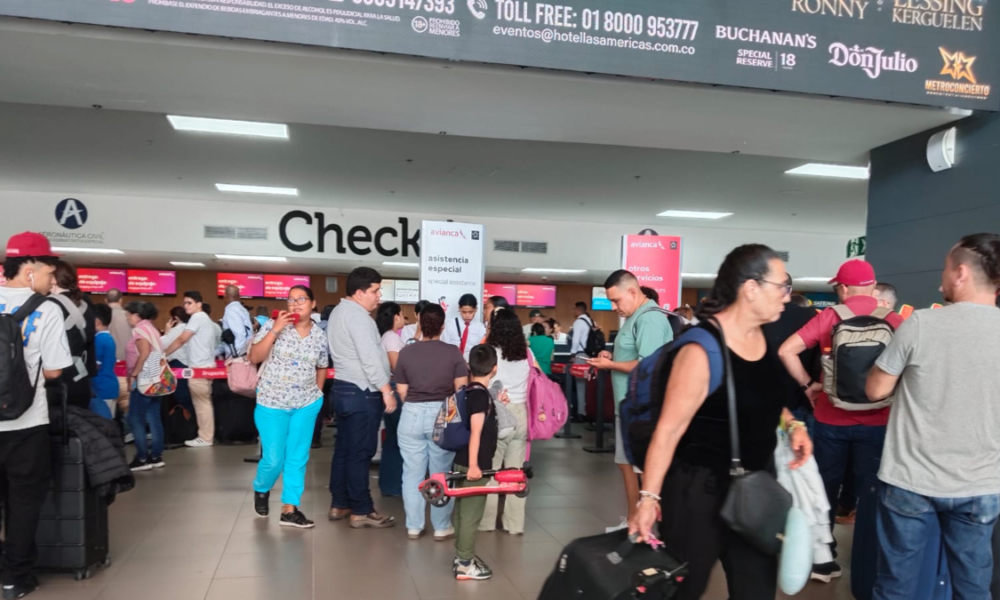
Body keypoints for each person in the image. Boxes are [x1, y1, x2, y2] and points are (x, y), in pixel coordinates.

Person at [629, 244, 813, 600]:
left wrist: (793, 425)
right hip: (699, 493)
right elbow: (668, 431)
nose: (786, 297)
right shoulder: (701, 349)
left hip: (755, 490)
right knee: (683, 588)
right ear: (750, 288)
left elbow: (758, 396)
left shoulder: (760, 336)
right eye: (781, 286)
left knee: (756, 590)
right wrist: (648, 499)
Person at [866, 234, 1000, 600]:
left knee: (896, 587)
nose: (940, 277)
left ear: (960, 273)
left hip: (911, 479)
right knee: (973, 588)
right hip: (981, 484)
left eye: (944, 267)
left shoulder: (922, 323)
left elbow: (875, 390)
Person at [778, 259, 903, 583]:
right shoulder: (894, 320)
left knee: (826, 489)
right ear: (873, 287)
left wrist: (809, 386)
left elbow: (786, 351)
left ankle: (824, 560)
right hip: (879, 421)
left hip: (831, 418)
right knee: (871, 493)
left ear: (844, 288)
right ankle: (869, 565)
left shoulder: (830, 317)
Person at [0, 232, 72, 599]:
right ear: (29, 270)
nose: (51, 279)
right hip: (25, 422)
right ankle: (14, 577)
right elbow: (55, 371)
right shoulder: (45, 310)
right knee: (24, 500)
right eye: (48, 270)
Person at [587, 270, 674, 526]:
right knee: (626, 465)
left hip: (643, 409)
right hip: (629, 406)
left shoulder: (650, 319)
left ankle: (651, 527)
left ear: (633, 292)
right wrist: (611, 358)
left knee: (646, 471)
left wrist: (610, 366)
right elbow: (633, 357)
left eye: (616, 301)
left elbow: (649, 365)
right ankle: (634, 522)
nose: (614, 307)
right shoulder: (635, 317)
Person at [248, 285, 328, 529]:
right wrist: (275, 330)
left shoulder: (319, 335)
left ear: (313, 304)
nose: (295, 304)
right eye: (290, 300)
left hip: (306, 405)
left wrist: (318, 393)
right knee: (273, 459)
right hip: (272, 403)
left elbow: (322, 365)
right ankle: (261, 488)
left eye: (301, 299)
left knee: (297, 457)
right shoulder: (273, 327)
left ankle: (289, 509)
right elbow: (254, 357)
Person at [327, 267, 397, 529]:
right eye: (375, 291)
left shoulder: (338, 312)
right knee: (360, 453)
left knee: (344, 450)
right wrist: (386, 390)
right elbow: (369, 358)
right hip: (362, 392)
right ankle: (362, 510)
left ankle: (340, 502)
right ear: (358, 293)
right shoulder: (358, 317)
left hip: (344, 388)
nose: (378, 297)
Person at [395, 303, 468, 540]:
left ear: (420, 325)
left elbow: (402, 391)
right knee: (441, 473)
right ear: (443, 326)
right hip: (442, 415)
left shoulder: (406, 352)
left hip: (411, 415)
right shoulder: (453, 352)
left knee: (412, 474)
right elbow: (460, 391)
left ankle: (414, 526)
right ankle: (441, 526)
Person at [480, 309, 531, 535]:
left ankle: (487, 522)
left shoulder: (490, 354)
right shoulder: (526, 353)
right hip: (521, 414)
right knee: (515, 471)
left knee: (491, 471)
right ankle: (514, 525)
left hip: (499, 413)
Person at [453, 344, 501, 581]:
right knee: (471, 514)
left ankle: (461, 555)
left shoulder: (469, 391)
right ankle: (464, 564)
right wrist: (474, 465)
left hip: (459, 459)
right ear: (494, 368)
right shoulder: (480, 396)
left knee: (462, 512)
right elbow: (476, 432)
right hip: (474, 463)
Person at [162, 291, 218, 448]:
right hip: (205, 366)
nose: (185, 306)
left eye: (189, 303)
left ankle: (205, 437)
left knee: (201, 404)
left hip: (198, 367)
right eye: (184, 303)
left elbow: (181, 339)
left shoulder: (197, 318)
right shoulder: (205, 319)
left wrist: (164, 354)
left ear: (199, 304)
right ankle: (206, 436)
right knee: (204, 402)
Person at [124, 301, 167, 472]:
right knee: (154, 418)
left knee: (135, 418)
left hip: (143, 380)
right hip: (156, 379)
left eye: (128, 315)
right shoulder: (153, 329)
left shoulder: (140, 331)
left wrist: (133, 375)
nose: (127, 319)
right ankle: (156, 455)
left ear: (136, 315)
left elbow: (144, 353)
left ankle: (142, 457)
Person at [49, 261, 96, 410]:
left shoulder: (49, 305)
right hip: (80, 378)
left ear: (53, 279)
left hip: (56, 383)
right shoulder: (85, 304)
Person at [375, 302, 405, 497]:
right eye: (402, 314)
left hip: (389, 388)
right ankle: (394, 485)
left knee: (393, 439)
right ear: (395, 316)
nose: (404, 318)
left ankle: (389, 484)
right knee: (398, 439)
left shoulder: (384, 337)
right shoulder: (392, 338)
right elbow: (397, 367)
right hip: (395, 389)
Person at [91, 304, 118, 419]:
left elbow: (94, 366)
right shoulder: (109, 338)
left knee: (102, 427)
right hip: (109, 386)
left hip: (101, 387)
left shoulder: (99, 340)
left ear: (97, 322)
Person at [569, 301, 595, 421]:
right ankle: (587, 410)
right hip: (589, 355)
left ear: (579, 310)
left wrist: (573, 354)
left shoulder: (579, 322)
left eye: (574, 309)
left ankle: (580, 413)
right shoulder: (590, 321)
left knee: (580, 384)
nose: (573, 312)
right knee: (587, 385)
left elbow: (575, 340)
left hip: (580, 355)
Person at [442, 294, 486, 362]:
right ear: (459, 309)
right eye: (464, 312)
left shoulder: (481, 328)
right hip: (451, 362)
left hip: (471, 364)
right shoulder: (449, 325)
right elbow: (444, 347)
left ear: (476, 309)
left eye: (471, 312)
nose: (467, 316)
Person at [217, 285, 253, 359]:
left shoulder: (231, 310)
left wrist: (235, 356)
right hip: (244, 352)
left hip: (237, 356)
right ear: (239, 296)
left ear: (225, 296)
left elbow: (240, 335)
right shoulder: (242, 310)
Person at [106, 288, 130, 362]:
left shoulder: (97, 316)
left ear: (106, 300)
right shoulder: (129, 316)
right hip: (125, 360)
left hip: (105, 360)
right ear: (120, 300)